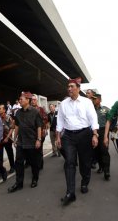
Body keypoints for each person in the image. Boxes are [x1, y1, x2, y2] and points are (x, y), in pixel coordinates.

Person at [56, 77, 99, 206]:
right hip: (68, 136)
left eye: (72, 87)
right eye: (68, 87)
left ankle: (85, 182)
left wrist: (95, 134)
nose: (69, 89)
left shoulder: (86, 102)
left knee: (85, 162)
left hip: (84, 134)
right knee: (69, 162)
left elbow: (93, 118)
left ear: (78, 89)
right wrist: (58, 137)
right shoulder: (63, 104)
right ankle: (70, 193)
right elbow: (60, 121)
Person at [8, 92, 42, 193]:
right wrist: (15, 138)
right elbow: (17, 126)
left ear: (28, 100)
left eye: (21, 99)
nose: (19, 101)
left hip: (32, 141)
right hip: (21, 142)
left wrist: (39, 139)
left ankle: (35, 179)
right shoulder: (18, 112)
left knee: (34, 163)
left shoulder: (35, 112)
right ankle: (19, 183)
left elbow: (39, 126)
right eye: (19, 99)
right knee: (18, 163)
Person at [92, 93, 111, 180]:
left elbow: (111, 120)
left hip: (103, 131)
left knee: (104, 151)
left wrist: (110, 133)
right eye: (92, 99)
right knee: (96, 151)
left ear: (100, 100)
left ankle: (107, 171)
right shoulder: (90, 109)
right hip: (93, 132)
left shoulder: (106, 109)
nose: (93, 100)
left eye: (95, 98)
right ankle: (101, 167)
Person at [31, 94, 48, 170]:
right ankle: (34, 165)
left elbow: (45, 119)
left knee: (39, 150)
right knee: (33, 151)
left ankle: (39, 165)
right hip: (31, 134)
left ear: (37, 101)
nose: (33, 101)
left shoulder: (41, 109)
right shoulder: (29, 109)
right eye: (32, 100)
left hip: (40, 133)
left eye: (34, 100)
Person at [0, 104, 15, 174]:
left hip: (7, 139)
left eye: (0, 108)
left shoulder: (8, 117)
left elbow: (12, 128)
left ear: (4, 110)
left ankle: (13, 167)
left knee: (10, 154)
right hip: (0, 140)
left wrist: (7, 137)